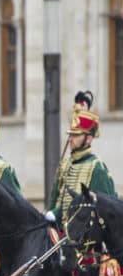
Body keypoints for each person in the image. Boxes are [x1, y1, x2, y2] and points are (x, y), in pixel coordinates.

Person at [48, 91, 116, 223]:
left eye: (76, 135)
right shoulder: (65, 164)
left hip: (85, 236)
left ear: (89, 138)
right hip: (61, 231)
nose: (71, 139)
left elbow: (107, 209)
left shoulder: (96, 168)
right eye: (71, 134)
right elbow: (55, 201)